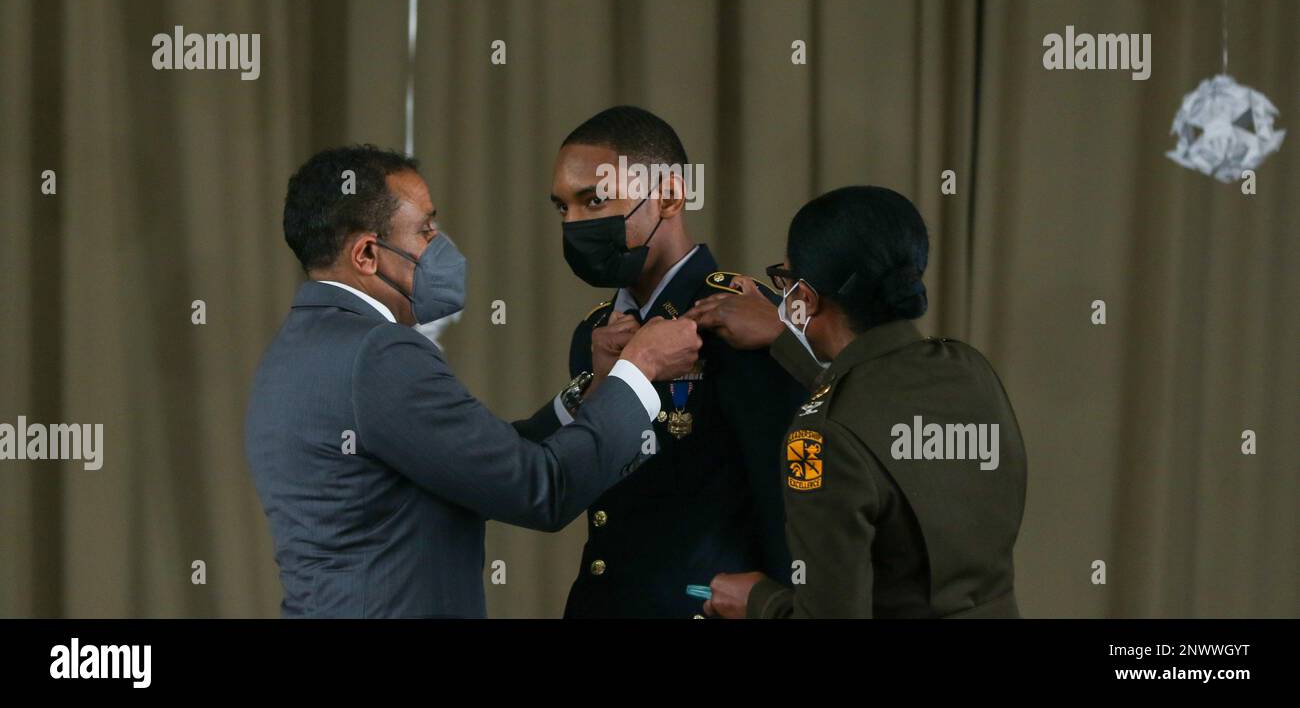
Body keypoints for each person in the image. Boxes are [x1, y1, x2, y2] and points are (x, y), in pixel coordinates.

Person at [244, 145, 700, 617]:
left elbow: (477, 460)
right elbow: (541, 488)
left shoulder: (293, 349)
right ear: (366, 254)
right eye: (424, 231)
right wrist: (638, 368)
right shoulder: (380, 352)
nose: (441, 245)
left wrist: (589, 391)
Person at [512, 107, 807, 618]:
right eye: (563, 208)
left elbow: (784, 491)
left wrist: (780, 607)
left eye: (595, 200)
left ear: (669, 195)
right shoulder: (595, 332)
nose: (575, 224)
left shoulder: (742, 318)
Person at [686, 186, 1028, 618]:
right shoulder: (966, 367)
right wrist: (784, 335)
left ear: (806, 298)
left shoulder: (819, 437)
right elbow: (873, 410)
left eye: (785, 281)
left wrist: (758, 600)